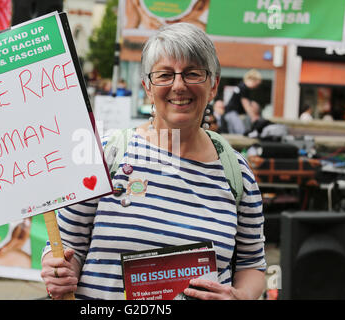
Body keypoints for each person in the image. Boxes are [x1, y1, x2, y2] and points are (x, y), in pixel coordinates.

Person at [41, 23, 266, 300]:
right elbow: (66, 247)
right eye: (165, 75)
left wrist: (239, 297)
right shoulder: (104, 154)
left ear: (213, 85)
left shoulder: (238, 174)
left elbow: (252, 265)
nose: (179, 86)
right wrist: (59, 271)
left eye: (193, 73)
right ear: (148, 86)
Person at [224, 69, 262, 134]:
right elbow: (246, 104)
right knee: (241, 132)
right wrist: (253, 117)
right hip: (232, 113)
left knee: (233, 133)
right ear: (253, 80)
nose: (256, 86)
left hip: (230, 113)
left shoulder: (241, 86)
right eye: (257, 84)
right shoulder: (244, 88)